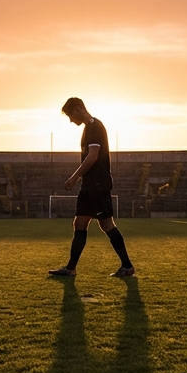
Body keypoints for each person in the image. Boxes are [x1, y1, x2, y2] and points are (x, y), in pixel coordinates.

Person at [48, 97, 135, 278]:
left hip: (97, 184)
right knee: (80, 223)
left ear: (79, 109)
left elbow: (93, 156)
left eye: (71, 115)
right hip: (90, 185)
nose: (71, 120)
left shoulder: (95, 126)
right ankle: (70, 268)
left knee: (107, 224)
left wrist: (74, 177)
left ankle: (127, 266)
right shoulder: (89, 128)